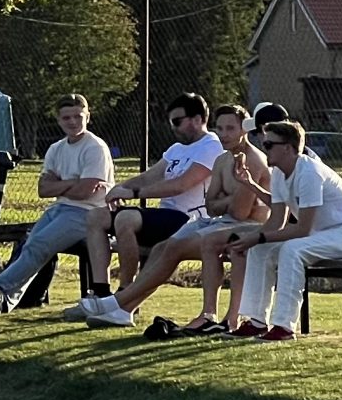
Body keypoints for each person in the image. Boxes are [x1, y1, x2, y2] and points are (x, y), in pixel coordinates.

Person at [77, 102, 272, 330]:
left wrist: (226, 201)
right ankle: (124, 310)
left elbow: (240, 213)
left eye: (231, 129)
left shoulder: (253, 160)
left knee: (174, 248)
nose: (224, 135)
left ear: (244, 130)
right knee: (163, 248)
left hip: (246, 227)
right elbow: (210, 206)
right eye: (220, 128)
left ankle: (117, 301)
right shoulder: (222, 159)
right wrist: (230, 200)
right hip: (218, 222)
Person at [0, 94, 116, 314]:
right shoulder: (56, 149)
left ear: (87, 116)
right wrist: (73, 183)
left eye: (78, 116)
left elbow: (85, 192)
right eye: (66, 117)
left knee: (40, 243)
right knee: (30, 244)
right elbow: (43, 190)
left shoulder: (95, 148)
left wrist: (61, 184)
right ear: (58, 120)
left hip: (89, 213)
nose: (72, 122)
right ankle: (3, 300)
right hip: (59, 209)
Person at [222, 120, 342, 341]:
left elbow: (302, 229)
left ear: (288, 147)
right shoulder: (278, 173)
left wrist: (257, 236)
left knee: (292, 250)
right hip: (322, 235)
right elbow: (276, 220)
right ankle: (256, 322)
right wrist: (253, 238)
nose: (264, 148)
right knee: (259, 251)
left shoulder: (309, 172)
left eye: (269, 144)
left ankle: (284, 327)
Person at [96, 93, 222, 291]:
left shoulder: (212, 146)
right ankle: (99, 290)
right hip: (166, 216)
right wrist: (120, 188)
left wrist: (134, 194)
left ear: (198, 120)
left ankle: (124, 291)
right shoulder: (176, 149)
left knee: (125, 219)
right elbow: (148, 177)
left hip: (189, 220)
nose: (173, 127)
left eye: (177, 121)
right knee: (97, 216)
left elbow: (181, 185)